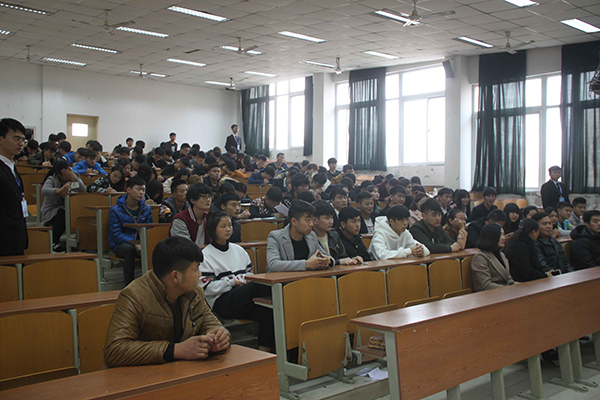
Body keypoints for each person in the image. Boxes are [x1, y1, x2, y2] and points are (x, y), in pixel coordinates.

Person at [103, 236, 229, 367]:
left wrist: (218, 337)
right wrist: (175, 350)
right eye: (195, 269)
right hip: (139, 374)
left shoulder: (195, 293)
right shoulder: (134, 296)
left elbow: (213, 325)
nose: (200, 274)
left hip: (179, 371)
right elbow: (114, 350)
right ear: (175, 276)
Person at [199, 212, 273, 350]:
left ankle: (266, 353)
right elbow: (207, 289)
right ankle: (281, 291)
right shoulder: (205, 255)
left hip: (244, 297)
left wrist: (243, 282)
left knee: (267, 311)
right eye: (223, 226)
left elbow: (249, 273)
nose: (228, 229)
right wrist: (232, 283)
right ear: (213, 229)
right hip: (221, 301)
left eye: (230, 225)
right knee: (257, 286)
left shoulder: (239, 250)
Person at [108, 176, 153, 285]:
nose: (141, 193)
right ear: (128, 190)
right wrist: (134, 243)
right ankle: (129, 285)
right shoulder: (116, 210)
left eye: (143, 190)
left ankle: (152, 283)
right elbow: (116, 234)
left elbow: (149, 230)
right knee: (130, 250)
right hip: (121, 244)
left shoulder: (146, 209)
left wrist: (142, 243)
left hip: (141, 242)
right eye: (138, 189)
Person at [266, 200, 332, 272]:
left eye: (312, 220)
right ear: (294, 221)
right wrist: (306, 264)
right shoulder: (276, 237)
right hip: (284, 278)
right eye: (308, 220)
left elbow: (326, 256)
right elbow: (273, 264)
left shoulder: (311, 235)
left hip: (308, 277)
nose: (311, 224)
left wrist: (327, 261)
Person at [40, 160, 87, 252]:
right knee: (63, 214)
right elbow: (44, 190)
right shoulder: (52, 179)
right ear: (60, 174)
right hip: (52, 210)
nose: (68, 176)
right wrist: (59, 190)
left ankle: (81, 244)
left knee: (80, 213)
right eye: (66, 174)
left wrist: (74, 178)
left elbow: (84, 190)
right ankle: (54, 242)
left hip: (70, 209)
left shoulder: (74, 176)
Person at [0, 118, 29, 256]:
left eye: (23, 140)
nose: (21, 143)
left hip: (15, 237)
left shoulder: (11, 166)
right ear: (1, 138)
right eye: (16, 138)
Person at [312, 201, 361, 265]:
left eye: (332, 218)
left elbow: (343, 256)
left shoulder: (334, 234)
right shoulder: (309, 237)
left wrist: (353, 259)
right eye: (327, 218)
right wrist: (338, 262)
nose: (331, 222)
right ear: (315, 220)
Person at [471, 223, 515, 292]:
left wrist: (514, 286)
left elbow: (509, 278)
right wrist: (509, 289)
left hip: (504, 292)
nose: (503, 238)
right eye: (500, 235)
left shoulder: (501, 254)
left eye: (503, 234)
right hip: (488, 295)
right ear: (491, 236)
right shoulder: (480, 257)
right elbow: (486, 285)